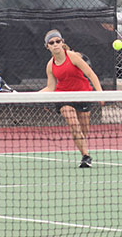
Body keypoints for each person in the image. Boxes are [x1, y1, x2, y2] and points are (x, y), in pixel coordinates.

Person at [39, 29, 103, 168]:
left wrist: (100, 93)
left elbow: (91, 75)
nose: (55, 44)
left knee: (83, 130)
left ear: (62, 43)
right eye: (52, 42)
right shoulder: (50, 65)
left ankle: (83, 151)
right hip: (64, 96)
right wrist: (33, 96)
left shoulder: (73, 56)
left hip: (82, 94)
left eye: (58, 41)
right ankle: (86, 156)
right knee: (73, 124)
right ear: (47, 46)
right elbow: (50, 87)